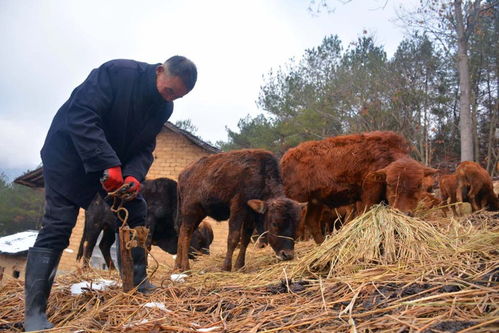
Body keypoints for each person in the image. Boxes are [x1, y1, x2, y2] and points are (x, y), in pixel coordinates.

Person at [24, 56, 197, 331]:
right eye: (170, 91)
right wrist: (107, 162)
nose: (171, 98)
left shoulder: (164, 108)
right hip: (69, 156)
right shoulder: (118, 73)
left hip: (112, 165)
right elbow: (81, 115)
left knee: (136, 211)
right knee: (59, 224)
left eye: (178, 96)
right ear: (160, 71)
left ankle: (136, 283)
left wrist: (133, 175)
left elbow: (144, 147)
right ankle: (34, 313)